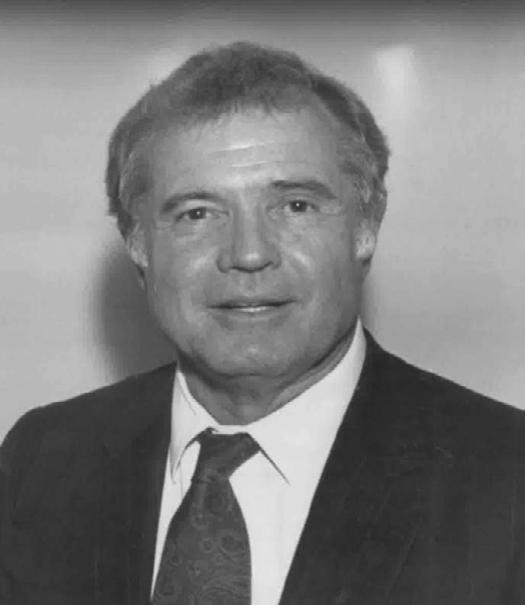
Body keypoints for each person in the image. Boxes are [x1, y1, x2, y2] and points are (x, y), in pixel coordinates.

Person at [1, 41, 524, 605]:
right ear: (137, 245)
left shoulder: (506, 479)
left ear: (365, 228)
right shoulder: (42, 461)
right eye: (197, 213)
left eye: (295, 206)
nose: (248, 253)